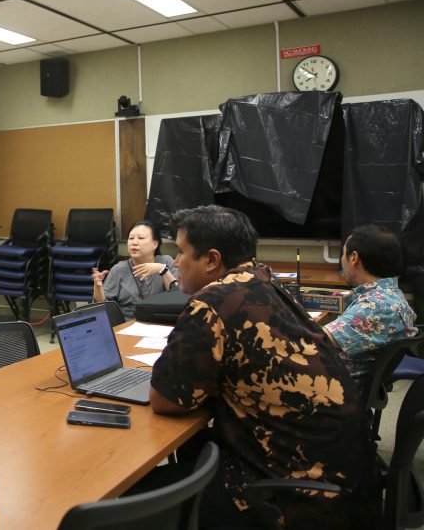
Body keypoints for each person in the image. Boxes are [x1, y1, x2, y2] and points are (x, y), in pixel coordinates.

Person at [148, 205, 380, 528]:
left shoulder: (211, 303)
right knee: (196, 449)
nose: (175, 262)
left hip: (301, 499)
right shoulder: (267, 284)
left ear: (212, 259)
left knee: (142, 493)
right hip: (349, 483)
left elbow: (165, 399)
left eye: (181, 251)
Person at [325, 224, 417, 402]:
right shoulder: (389, 295)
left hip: (334, 396)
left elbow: (312, 339)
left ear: (354, 258)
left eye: (343, 253)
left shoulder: (376, 307)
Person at [92, 219, 178, 319]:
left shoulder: (166, 262)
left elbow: (177, 296)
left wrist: (163, 270)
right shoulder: (118, 270)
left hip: (162, 324)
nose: (134, 242)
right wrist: (98, 287)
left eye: (141, 238)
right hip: (128, 327)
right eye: (131, 238)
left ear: (155, 244)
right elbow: (102, 307)